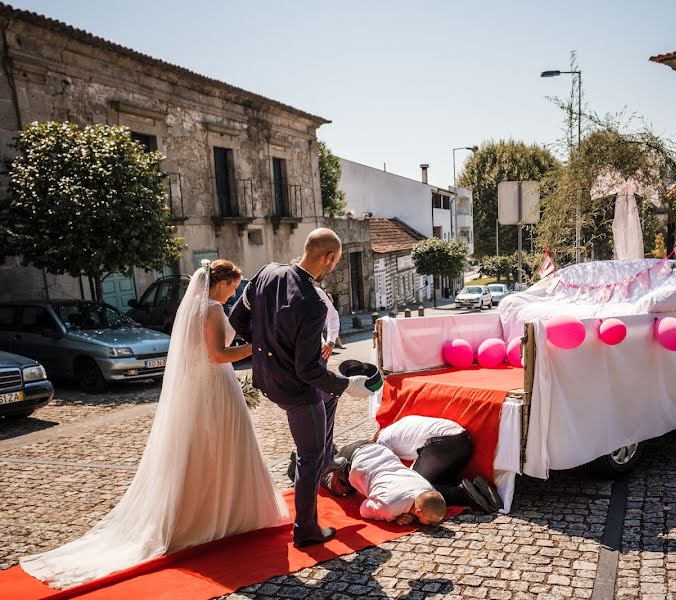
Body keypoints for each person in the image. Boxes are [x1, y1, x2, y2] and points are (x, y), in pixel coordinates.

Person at [20, 260, 290, 589]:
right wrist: (259, 348)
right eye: (233, 287)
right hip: (217, 386)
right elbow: (218, 355)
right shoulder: (214, 310)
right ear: (220, 284)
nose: (235, 293)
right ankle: (225, 515)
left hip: (199, 388)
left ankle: (206, 512)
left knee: (202, 448)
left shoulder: (192, 308)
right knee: (225, 445)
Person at [229, 228, 372, 548]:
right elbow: (307, 370)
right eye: (335, 262)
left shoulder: (266, 272)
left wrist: (264, 345)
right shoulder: (312, 302)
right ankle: (306, 528)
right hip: (294, 389)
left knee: (329, 399)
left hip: (265, 377)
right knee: (310, 454)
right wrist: (348, 384)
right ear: (330, 258)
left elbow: (237, 318)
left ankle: (323, 457)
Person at [374, 415, 502, 513]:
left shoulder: (381, 441)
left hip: (441, 445)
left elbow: (386, 469)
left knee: (417, 486)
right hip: (463, 441)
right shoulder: (401, 423)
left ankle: (463, 494)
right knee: (435, 478)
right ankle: (476, 487)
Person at [325, 440, 446, 526]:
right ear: (418, 512)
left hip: (374, 447)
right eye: (430, 522)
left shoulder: (428, 488)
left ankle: (329, 449)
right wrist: (393, 517)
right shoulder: (389, 507)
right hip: (350, 459)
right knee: (338, 489)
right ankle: (322, 458)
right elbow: (364, 510)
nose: (434, 525)